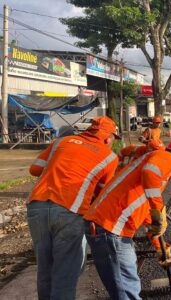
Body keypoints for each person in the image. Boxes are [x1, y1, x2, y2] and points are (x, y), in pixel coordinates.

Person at [83, 141, 171, 299]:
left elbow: (148, 217)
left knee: (124, 287)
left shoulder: (151, 178)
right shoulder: (165, 157)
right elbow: (150, 173)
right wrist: (158, 211)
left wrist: (160, 246)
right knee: (127, 289)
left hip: (107, 228)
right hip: (110, 227)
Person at [27, 116, 120, 299]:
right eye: (113, 140)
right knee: (65, 273)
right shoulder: (109, 157)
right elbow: (101, 195)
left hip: (36, 207)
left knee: (45, 269)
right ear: (108, 137)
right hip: (69, 212)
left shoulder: (61, 141)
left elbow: (35, 169)